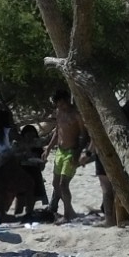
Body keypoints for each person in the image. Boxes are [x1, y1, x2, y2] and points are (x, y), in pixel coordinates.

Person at [48, 90, 87, 220]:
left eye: (62, 103)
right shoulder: (59, 113)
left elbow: (84, 135)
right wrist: (48, 148)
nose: (60, 106)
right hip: (60, 151)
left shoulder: (76, 114)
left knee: (63, 184)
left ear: (67, 100)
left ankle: (67, 215)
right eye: (58, 104)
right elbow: (58, 131)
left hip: (71, 151)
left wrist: (78, 153)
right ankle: (70, 210)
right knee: (55, 183)